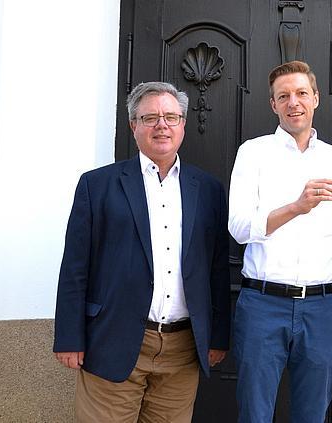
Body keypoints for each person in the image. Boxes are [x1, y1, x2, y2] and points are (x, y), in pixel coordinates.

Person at [53, 81, 231, 422]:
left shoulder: (208, 189)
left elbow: (217, 268)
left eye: (171, 116)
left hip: (183, 349)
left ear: (183, 124)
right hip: (112, 339)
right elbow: (76, 268)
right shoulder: (97, 185)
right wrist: (68, 336)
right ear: (134, 125)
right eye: (150, 117)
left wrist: (217, 335)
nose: (161, 125)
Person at [228, 60, 332, 423]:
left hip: (321, 307)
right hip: (262, 304)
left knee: (313, 415)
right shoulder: (252, 153)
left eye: (302, 93)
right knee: (254, 414)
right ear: (273, 104)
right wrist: (297, 207)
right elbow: (239, 228)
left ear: (316, 98)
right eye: (283, 96)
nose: (294, 102)